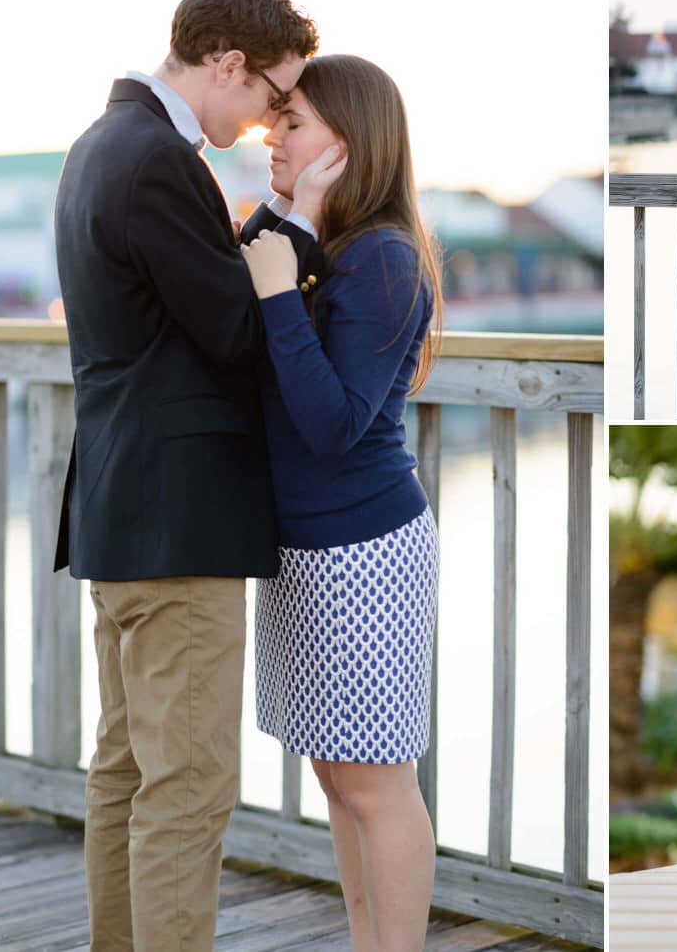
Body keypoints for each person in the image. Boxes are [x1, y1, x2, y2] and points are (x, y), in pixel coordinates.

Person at [52, 0, 322, 950]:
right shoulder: (158, 159)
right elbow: (231, 326)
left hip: (120, 511)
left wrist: (259, 228)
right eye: (270, 95)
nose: (267, 122)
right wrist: (300, 225)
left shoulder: (100, 147)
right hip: (179, 527)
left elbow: (191, 290)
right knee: (188, 788)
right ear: (223, 64)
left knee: (125, 772)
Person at [238, 53, 444, 952]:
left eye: (292, 121)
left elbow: (333, 424)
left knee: (378, 783)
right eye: (275, 118)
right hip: (301, 548)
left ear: (349, 143)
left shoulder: (385, 261)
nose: (271, 135)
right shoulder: (318, 241)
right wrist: (290, 220)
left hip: (362, 550)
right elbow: (237, 273)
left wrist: (283, 291)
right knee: (336, 775)